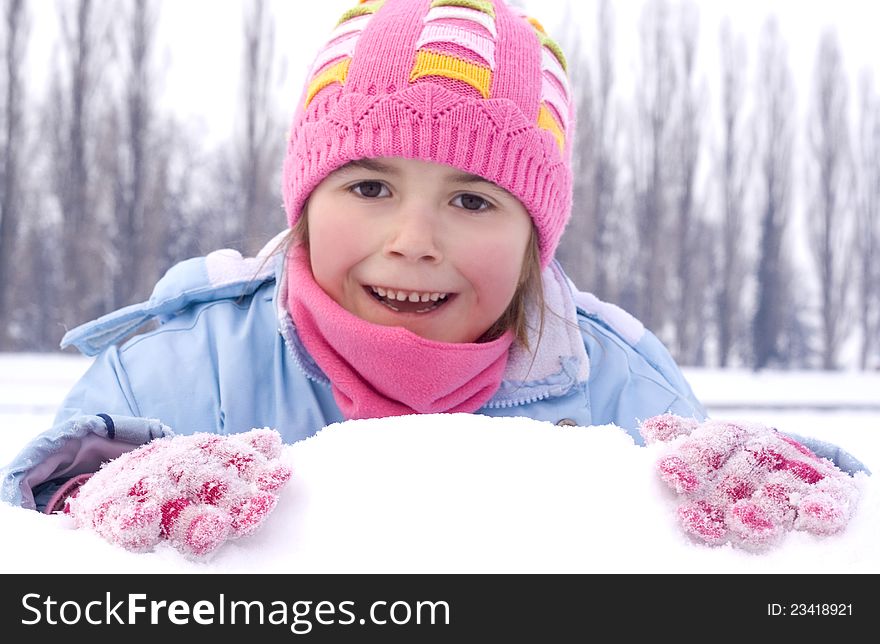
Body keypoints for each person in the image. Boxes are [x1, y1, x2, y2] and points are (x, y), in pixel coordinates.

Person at [0, 0, 867, 518]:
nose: (413, 239)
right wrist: (91, 507)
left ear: (536, 236)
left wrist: (779, 526)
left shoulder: (623, 394)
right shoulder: (179, 371)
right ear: (304, 203)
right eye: (370, 188)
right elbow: (31, 541)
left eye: (472, 200)